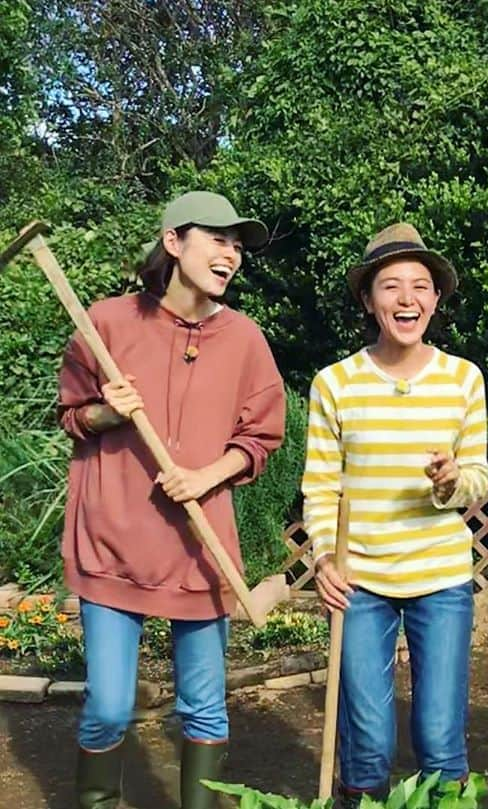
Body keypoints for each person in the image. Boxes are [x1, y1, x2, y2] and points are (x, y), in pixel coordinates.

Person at [58, 191, 286, 808]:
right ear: (173, 241)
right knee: (107, 708)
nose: (231, 254)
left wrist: (207, 474)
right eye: (217, 238)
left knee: (205, 710)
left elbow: (261, 436)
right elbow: (71, 415)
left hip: (198, 551)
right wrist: (109, 411)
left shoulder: (245, 339)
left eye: (238, 246)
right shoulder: (105, 323)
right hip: (111, 542)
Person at [302, 223, 488, 805]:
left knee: (439, 734)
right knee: (367, 737)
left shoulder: (463, 379)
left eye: (420, 286)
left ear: (436, 299)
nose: (406, 298)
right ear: (368, 299)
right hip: (360, 581)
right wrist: (325, 556)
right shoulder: (335, 383)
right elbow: (320, 485)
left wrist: (452, 481)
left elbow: (478, 481)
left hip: (441, 578)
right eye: (390, 286)